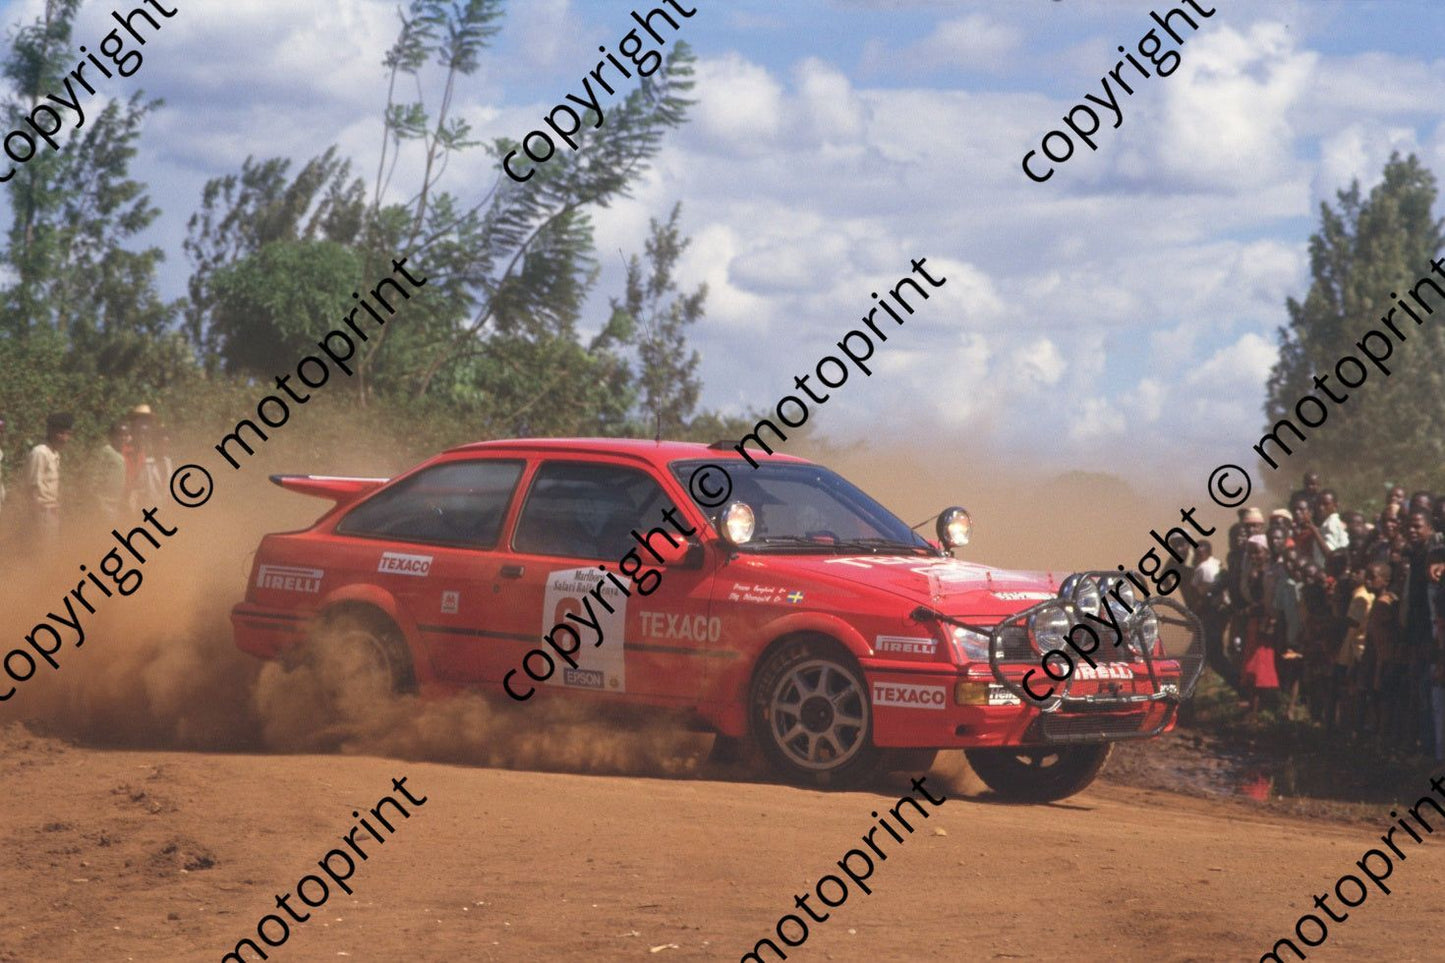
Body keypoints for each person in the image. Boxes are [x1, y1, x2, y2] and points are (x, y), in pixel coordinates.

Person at [1400, 509, 1443, 757]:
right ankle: (1429, 753)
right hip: (1421, 639)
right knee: (1425, 697)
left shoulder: (1433, 556)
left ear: (1429, 527)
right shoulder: (1416, 557)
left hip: (1434, 640)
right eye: (1410, 527)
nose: (1413, 531)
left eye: (1418, 526)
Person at [25, 412, 73, 550]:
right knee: (43, 553)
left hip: (52, 512)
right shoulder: (40, 453)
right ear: (50, 431)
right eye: (60, 433)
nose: (64, 438)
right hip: (42, 513)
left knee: (52, 551)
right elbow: (32, 486)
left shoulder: (55, 453)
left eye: (67, 434)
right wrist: (36, 515)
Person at [98, 420, 130, 522]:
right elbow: (97, 476)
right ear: (112, 435)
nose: (123, 438)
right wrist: (100, 502)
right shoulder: (107, 451)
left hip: (117, 504)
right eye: (120, 435)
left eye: (125, 435)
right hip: (105, 503)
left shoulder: (121, 453)